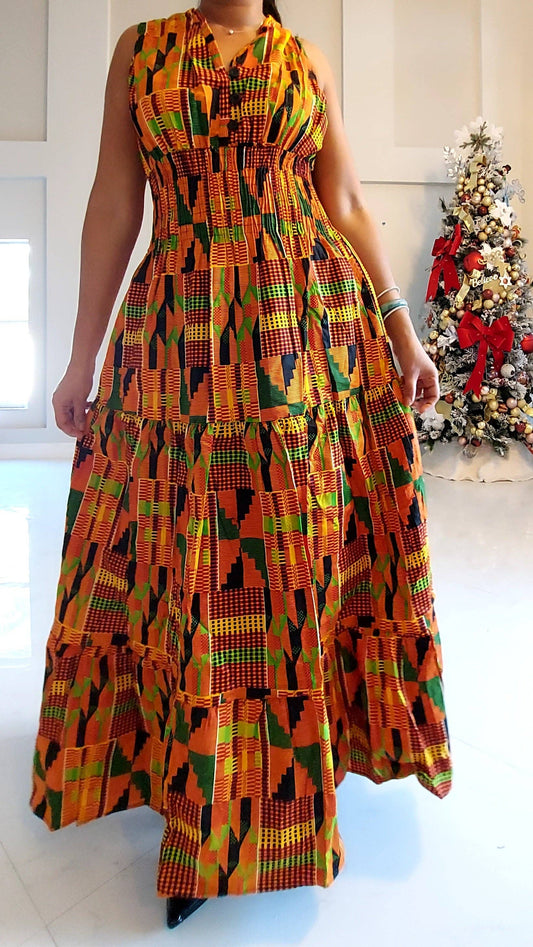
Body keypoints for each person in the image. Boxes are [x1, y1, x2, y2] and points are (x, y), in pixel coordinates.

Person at [30, 0, 453, 930]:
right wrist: (80, 358)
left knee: (292, 558)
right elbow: (115, 203)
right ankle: (204, 800)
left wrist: (400, 328)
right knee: (187, 567)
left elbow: (344, 202)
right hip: (181, 338)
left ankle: (291, 785)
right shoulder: (141, 51)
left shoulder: (303, 60)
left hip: (308, 333)